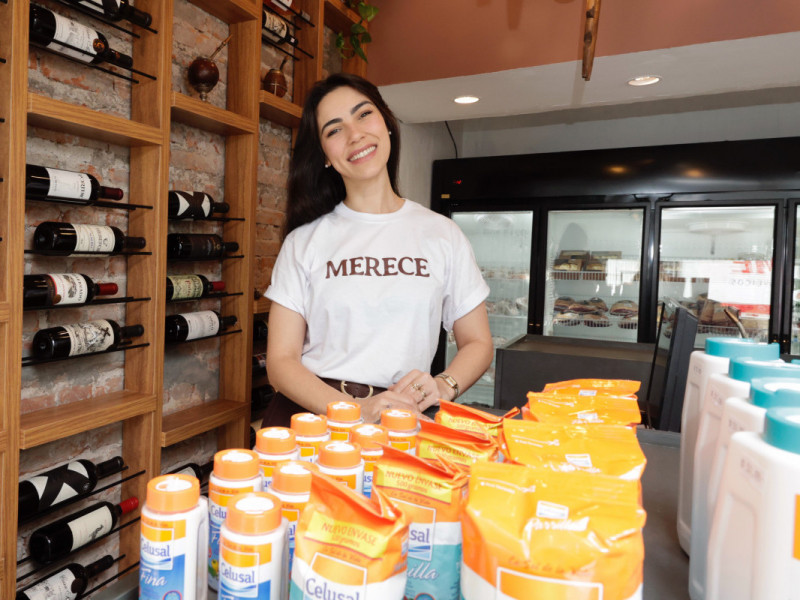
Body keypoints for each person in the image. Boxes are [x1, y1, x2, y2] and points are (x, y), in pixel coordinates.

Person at [263, 73, 493, 426]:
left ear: (386, 124)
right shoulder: (304, 241)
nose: (355, 134)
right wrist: (357, 410)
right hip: (312, 418)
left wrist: (444, 386)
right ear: (324, 155)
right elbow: (280, 363)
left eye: (363, 114)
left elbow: (477, 342)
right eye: (334, 130)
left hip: (401, 419)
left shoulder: (442, 234)